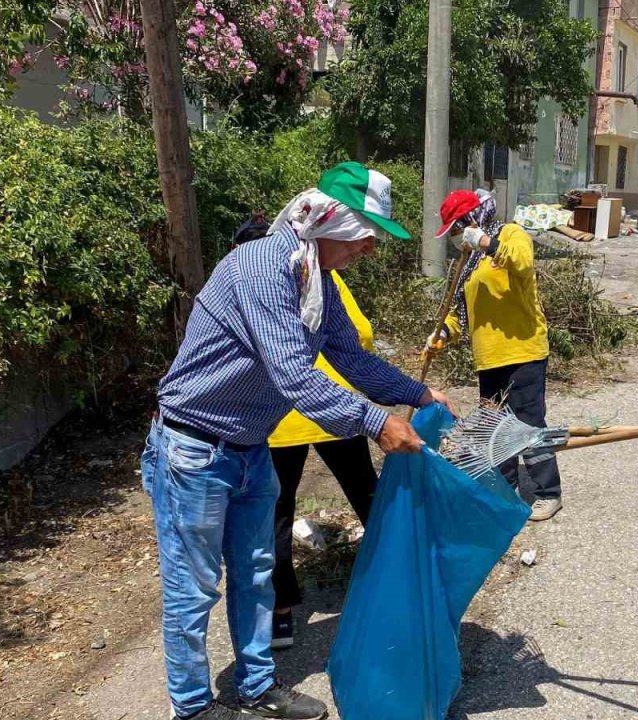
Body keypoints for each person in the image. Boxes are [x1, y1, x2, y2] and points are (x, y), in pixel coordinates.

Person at [141, 161, 454, 720]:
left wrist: (420, 396)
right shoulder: (264, 266)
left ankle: (256, 689)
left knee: (258, 574)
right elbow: (293, 374)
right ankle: (191, 708)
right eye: (367, 237)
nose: (370, 251)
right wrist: (377, 423)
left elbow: (347, 357)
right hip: (195, 450)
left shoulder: (316, 279)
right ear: (332, 221)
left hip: (248, 448)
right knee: (193, 591)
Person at [424, 189, 563, 522]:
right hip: (488, 358)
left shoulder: (509, 234)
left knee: (528, 424)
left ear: (471, 220)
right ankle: (506, 490)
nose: (456, 238)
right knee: (496, 428)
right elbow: (459, 313)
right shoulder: (466, 263)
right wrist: (441, 334)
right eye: (453, 234)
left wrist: (485, 241)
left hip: (523, 349)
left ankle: (547, 493)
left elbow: (522, 263)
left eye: (457, 230)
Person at [267, 268, 379, 650]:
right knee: (368, 496)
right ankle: (396, 579)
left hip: (277, 417)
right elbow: (361, 331)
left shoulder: (250, 283)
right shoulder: (319, 276)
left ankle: (280, 615)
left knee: (277, 512)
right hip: (331, 408)